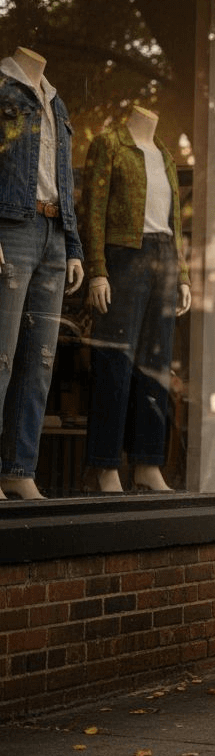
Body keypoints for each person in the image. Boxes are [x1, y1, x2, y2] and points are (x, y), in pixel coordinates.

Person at [80, 105, 191, 492]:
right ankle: (105, 464)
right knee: (115, 361)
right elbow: (91, 210)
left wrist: (183, 275)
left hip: (163, 257)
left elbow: (175, 222)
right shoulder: (109, 144)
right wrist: (97, 268)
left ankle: (147, 464)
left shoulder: (165, 155)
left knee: (156, 366)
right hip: (124, 254)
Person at [0, 47, 85, 500]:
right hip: (12, 226)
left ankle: (18, 467)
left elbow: (64, 178)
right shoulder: (2, 87)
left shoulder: (56, 101)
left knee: (41, 363)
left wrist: (72, 245)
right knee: (2, 355)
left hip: (54, 230)